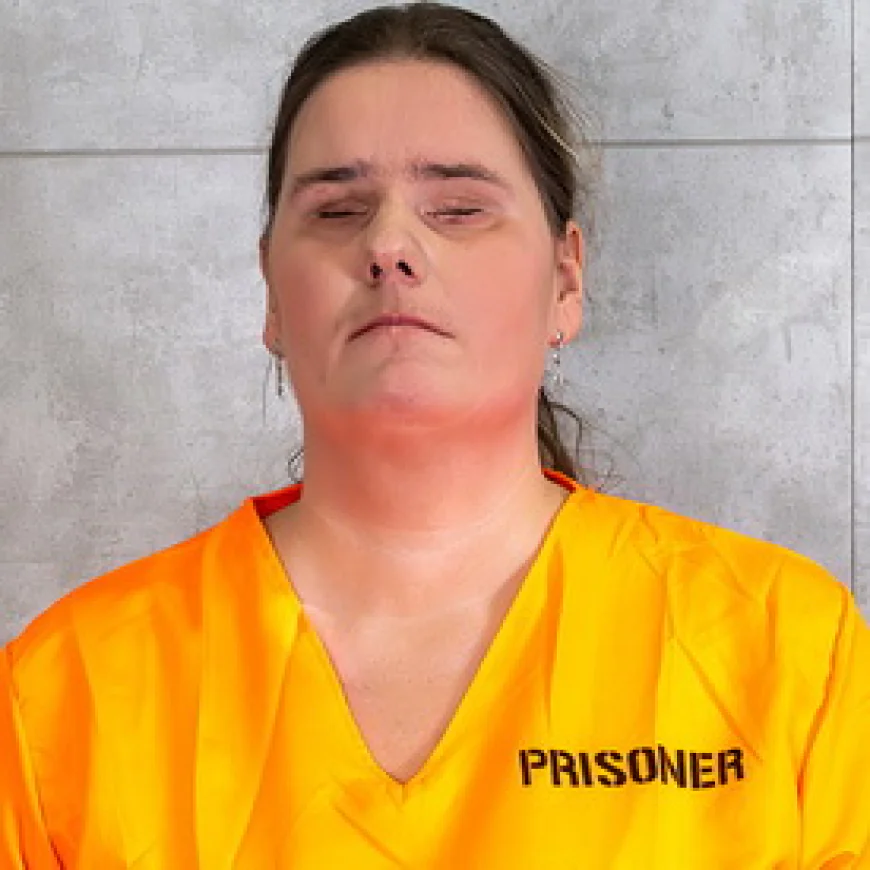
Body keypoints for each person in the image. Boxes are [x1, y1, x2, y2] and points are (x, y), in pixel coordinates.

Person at [2, 2, 868, 866]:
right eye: (337, 209)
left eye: (457, 209)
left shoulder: (787, 651)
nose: (389, 245)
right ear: (271, 291)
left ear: (566, 279)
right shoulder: (65, 695)